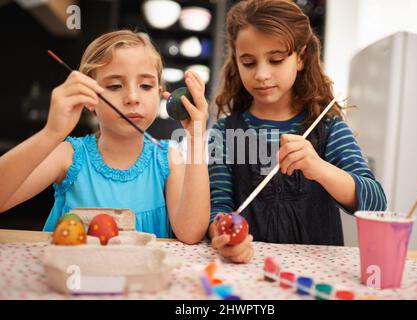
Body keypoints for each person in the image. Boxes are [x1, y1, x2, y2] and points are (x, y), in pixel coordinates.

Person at [207, 0, 387, 262]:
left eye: (276, 59)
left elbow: (376, 203)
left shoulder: (328, 126)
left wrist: (320, 168)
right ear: (236, 61)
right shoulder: (224, 132)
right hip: (247, 271)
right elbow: (218, 206)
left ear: (300, 58)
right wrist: (222, 235)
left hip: (317, 275)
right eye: (248, 62)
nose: (262, 74)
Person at [0, 30, 210, 244]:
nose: (132, 98)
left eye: (146, 85)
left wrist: (196, 138)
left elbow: (191, 232)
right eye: (115, 86)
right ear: (89, 97)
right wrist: (51, 133)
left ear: (160, 93)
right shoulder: (70, 156)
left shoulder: (168, 159)